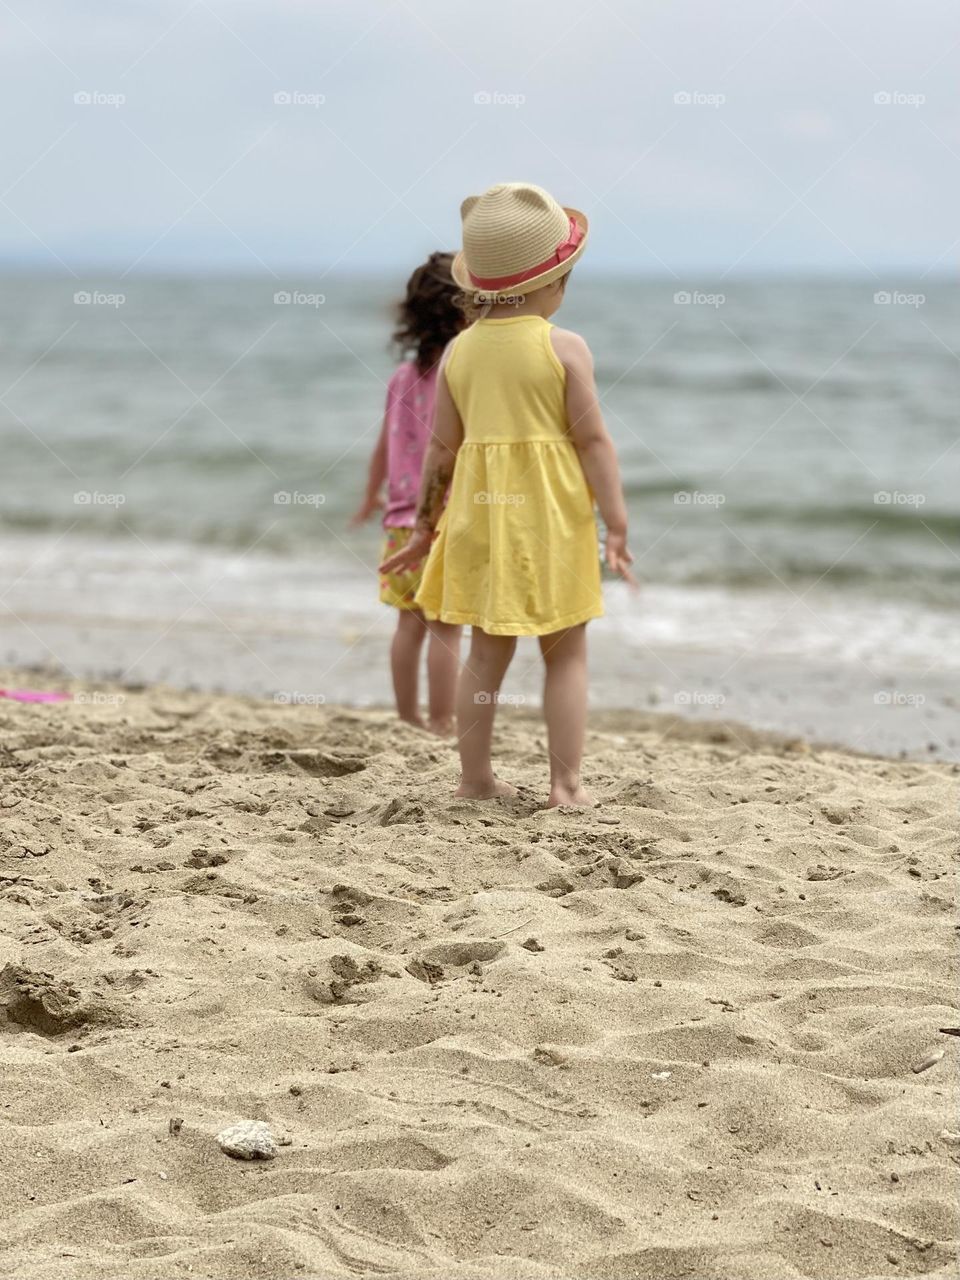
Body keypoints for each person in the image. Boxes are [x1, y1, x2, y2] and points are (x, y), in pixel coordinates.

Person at [380, 183, 635, 806]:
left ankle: (473, 781)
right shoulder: (564, 347)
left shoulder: (460, 352)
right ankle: (566, 784)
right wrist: (618, 524)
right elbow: (594, 444)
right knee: (566, 654)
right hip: (551, 518)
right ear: (555, 282)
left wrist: (423, 527)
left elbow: (441, 452)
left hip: (482, 520)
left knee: (485, 657)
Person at [350, 252, 464, 734]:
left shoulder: (401, 378)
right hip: (444, 520)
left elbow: (383, 445)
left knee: (407, 624)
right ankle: (441, 719)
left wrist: (369, 496)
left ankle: (406, 717)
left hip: (400, 521)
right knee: (446, 625)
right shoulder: (462, 371)